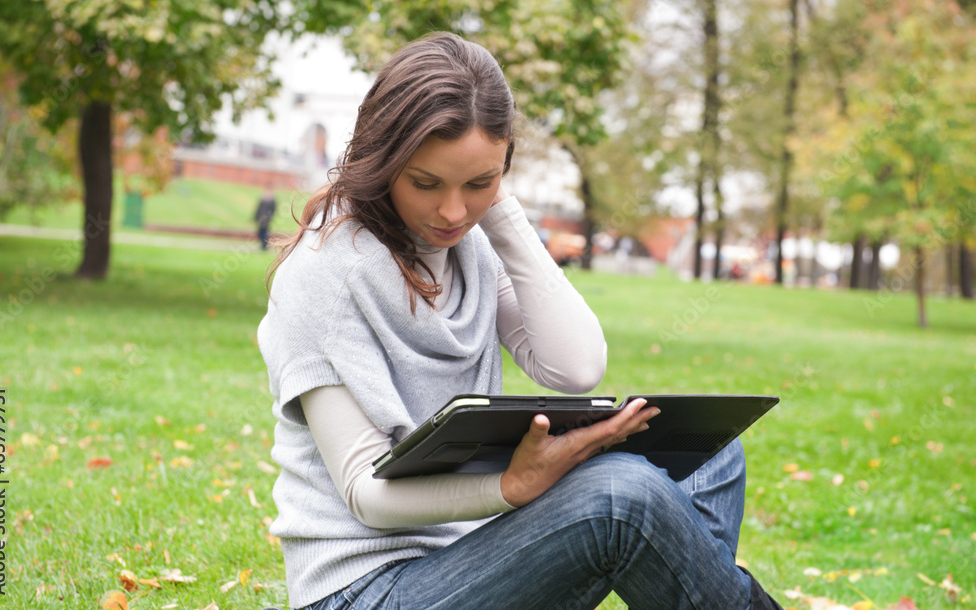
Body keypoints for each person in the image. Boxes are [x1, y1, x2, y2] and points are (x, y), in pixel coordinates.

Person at [257, 32, 783, 610]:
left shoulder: (472, 248)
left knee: (704, 451)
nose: (453, 211)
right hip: (365, 592)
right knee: (621, 497)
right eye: (426, 183)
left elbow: (575, 367)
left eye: (479, 183)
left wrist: (502, 216)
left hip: (476, 557)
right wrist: (511, 486)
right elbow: (364, 492)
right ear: (381, 160)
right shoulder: (321, 275)